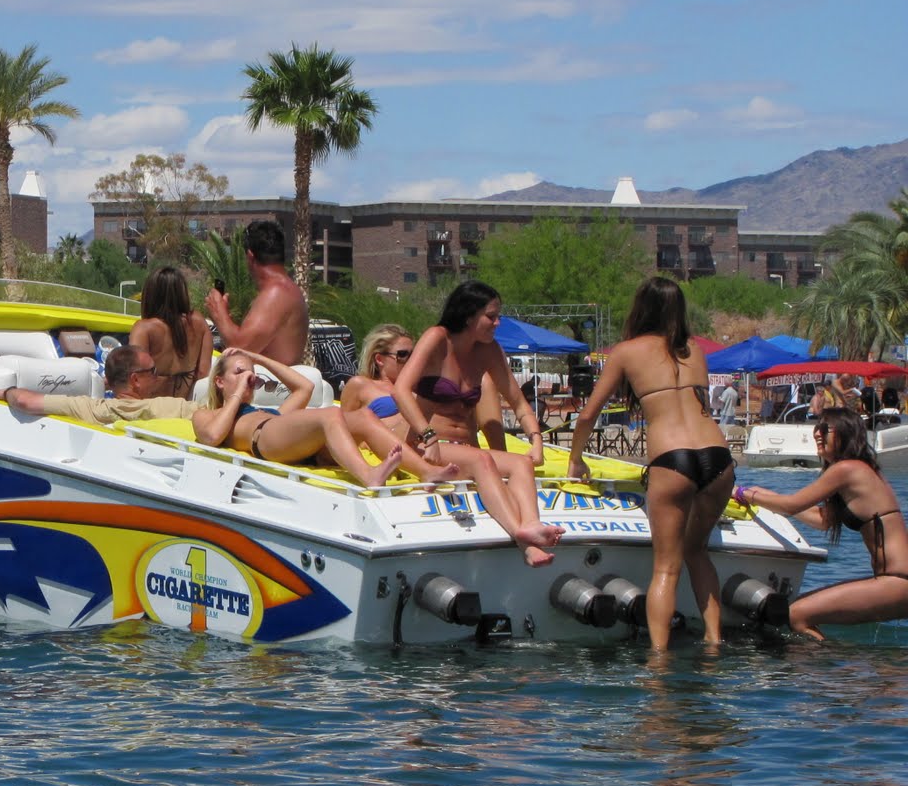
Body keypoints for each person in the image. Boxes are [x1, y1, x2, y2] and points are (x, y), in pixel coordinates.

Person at [565, 276, 732, 650]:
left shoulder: (626, 352)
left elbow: (588, 415)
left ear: (640, 308)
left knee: (666, 568)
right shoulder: (694, 350)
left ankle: (659, 660)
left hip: (673, 461)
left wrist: (575, 460)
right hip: (719, 460)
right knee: (697, 552)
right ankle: (714, 640)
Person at [393, 281, 564, 567]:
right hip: (426, 445)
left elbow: (518, 402)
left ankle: (532, 524)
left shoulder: (489, 350)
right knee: (482, 460)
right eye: (491, 316)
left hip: (465, 448)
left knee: (520, 464)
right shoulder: (438, 338)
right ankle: (523, 539)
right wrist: (429, 435)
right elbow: (401, 390)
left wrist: (536, 440)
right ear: (470, 315)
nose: (498, 322)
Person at [735, 407, 908, 641]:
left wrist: (743, 493)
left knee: (795, 614)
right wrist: (767, 497)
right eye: (817, 427)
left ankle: (828, 674)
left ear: (845, 433)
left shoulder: (848, 469)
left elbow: (791, 505)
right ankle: (862, 674)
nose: (817, 433)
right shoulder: (859, 470)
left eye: (825, 428)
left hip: (897, 582)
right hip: (893, 583)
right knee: (799, 611)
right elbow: (823, 520)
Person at [195, 348, 411, 490]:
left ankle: (426, 471)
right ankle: (368, 475)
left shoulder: (269, 414)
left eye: (251, 376)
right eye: (239, 372)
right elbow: (212, 436)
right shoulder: (206, 415)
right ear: (219, 382)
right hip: (263, 437)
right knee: (331, 414)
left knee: (364, 416)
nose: (248, 379)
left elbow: (305, 387)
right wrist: (239, 390)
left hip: (280, 435)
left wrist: (257, 358)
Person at [0, 344, 198, 425]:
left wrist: (5, 390)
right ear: (135, 380)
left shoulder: (92, 409)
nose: (158, 376)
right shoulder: (175, 408)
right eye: (152, 371)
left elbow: (25, 401)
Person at [203, 220, 309, 366]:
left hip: (272, 386)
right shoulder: (283, 289)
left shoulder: (276, 293)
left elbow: (239, 350)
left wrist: (219, 313)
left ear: (250, 256)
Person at [129, 266, 213, 399]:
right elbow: (203, 372)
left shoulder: (144, 328)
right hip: (180, 406)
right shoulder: (199, 322)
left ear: (150, 295)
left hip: (150, 408)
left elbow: (134, 376)